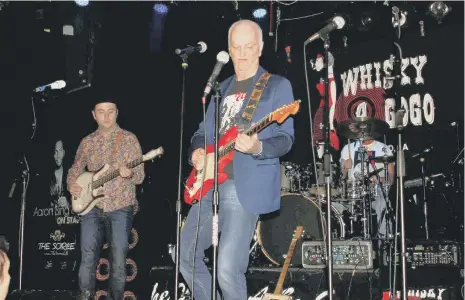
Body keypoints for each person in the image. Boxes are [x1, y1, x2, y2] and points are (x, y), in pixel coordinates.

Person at [175, 19, 295, 300]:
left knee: (227, 268)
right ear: (228, 49)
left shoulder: (276, 85)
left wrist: (256, 147)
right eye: (236, 48)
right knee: (185, 254)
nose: (241, 55)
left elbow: (285, 139)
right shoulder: (221, 87)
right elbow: (202, 133)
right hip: (208, 182)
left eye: (248, 47)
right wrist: (197, 152)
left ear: (260, 48)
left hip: (242, 183)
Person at [67, 98, 145, 300]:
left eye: (111, 111)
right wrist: (71, 184)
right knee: (87, 259)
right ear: (94, 115)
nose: (106, 115)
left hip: (120, 205)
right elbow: (75, 169)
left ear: (117, 112)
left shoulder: (129, 139)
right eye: (101, 111)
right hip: (91, 207)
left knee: (118, 262)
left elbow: (140, 175)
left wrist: (129, 174)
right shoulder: (87, 142)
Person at [340, 138, 395, 238]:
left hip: (375, 190)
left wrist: (380, 179)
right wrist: (345, 168)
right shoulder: (347, 148)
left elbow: (391, 179)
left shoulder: (383, 148)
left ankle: (384, 241)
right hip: (353, 191)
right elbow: (342, 176)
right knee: (336, 205)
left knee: (382, 203)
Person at [50, 140, 69, 209]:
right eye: (55, 152)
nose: (58, 155)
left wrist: (68, 205)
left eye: (60, 150)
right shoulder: (47, 178)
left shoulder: (71, 175)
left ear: (64, 152)